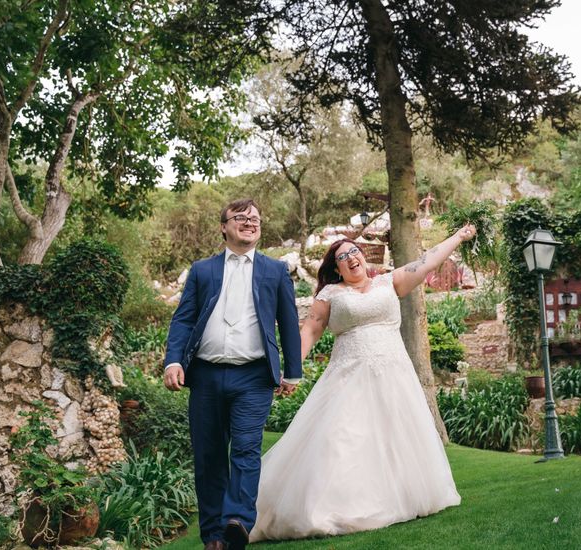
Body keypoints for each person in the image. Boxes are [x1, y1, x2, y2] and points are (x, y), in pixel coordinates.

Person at [250, 224, 476, 542]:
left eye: (354, 251)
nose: (351, 257)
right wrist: (293, 371)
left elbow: (427, 261)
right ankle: (329, 507)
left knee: (395, 437)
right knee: (341, 439)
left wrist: (458, 237)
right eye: (343, 256)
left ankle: (398, 498)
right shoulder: (330, 295)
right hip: (348, 376)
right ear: (336, 268)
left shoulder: (390, 281)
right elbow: (310, 332)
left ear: (363, 258)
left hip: (394, 375)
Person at [162, 199, 302, 550]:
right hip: (206, 375)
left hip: (253, 378)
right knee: (209, 456)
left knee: (245, 449)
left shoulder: (275, 271)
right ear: (223, 226)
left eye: (255, 217)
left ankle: (237, 521)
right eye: (240, 217)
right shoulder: (203, 270)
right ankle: (213, 536)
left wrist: (293, 372)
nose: (249, 222)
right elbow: (183, 319)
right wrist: (173, 361)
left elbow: (288, 323)